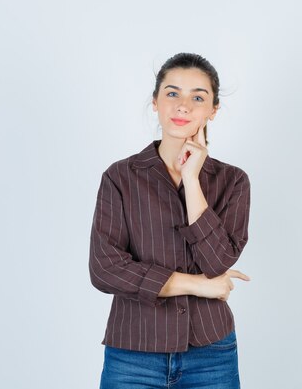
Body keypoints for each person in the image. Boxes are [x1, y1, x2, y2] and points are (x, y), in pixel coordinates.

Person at [89, 52, 252, 389]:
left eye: (198, 97)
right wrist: (200, 286)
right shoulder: (120, 177)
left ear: (213, 110)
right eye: (172, 93)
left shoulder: (232, 181)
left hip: (211, 353)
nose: (183, 106)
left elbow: (217, 261)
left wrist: (192, 180)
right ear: (155, 101)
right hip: (133, 352)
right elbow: (105, 270)